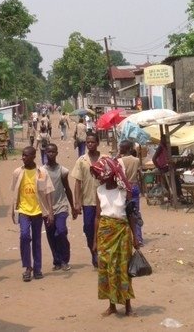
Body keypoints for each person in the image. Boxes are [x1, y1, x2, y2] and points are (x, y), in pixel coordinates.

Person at [91, 156, 140, 317]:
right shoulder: (99, 191)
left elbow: (131, 215)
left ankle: (128, 306)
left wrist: (135, 237)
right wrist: (95, 241)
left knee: (123, 269)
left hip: (122, 232)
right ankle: (111, 305)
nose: (99, 177)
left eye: (101, 174)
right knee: (107, 269)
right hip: (105, 233)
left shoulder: (124, 190)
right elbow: (98, 216)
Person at [11, 146, 54, 282]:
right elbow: (15, 192)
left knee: (37, 240)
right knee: (24, 236)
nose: (23, 158)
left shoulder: (42, 172)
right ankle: (27, 267)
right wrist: (13, 210)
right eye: (22, 155)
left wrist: (50, 212)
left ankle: (37, 268)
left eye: (26, 155)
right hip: (23, 210)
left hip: (38, 211)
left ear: (33, 156)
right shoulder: (17, 172)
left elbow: (47, 192)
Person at [44, 143, 76, 271]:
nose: (50, 154)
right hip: (47, 208)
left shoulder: (62, 170)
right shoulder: (41, 171)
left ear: (57, 153)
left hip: (61, 205)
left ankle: (64, 259)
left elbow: (67, 188)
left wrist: (73, 207)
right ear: (45, 153)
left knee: (61, 231)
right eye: (48, 152)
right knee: (51, 234)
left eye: (53, 152)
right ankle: (56, 260)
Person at [71, 132, 101, 268]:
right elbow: (78, 183)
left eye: (92, 142)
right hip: (88, 201)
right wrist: (77, 202)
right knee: (88, 228)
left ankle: (101, 254)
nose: (89, 144)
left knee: (102, 229)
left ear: (97, 143)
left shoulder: (104, 159)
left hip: (104, 201)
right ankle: (93, 252)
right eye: (88, 142)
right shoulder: (81, 160)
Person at [118, 140, 144, 246]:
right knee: (135, 212)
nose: (120, 149)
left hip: (124, 187)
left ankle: (126, 237)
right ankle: (138, 238)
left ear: (125, 149)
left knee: (123, 212)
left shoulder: (119, 161)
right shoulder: (136, 160)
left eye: (121, 148)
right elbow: (139, 175)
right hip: (134, 187)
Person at [152, 134, 186, 203]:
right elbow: (154, 159)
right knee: (175, 179)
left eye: (167, 139)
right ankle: (179, 195)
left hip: (166, 166)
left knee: (175, 179)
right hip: (164, 167)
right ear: (162, 139)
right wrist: (159, 168)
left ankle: (177, 195)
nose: (167, 140)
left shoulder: (165, 147)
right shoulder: (160, 147)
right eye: (165, 139)